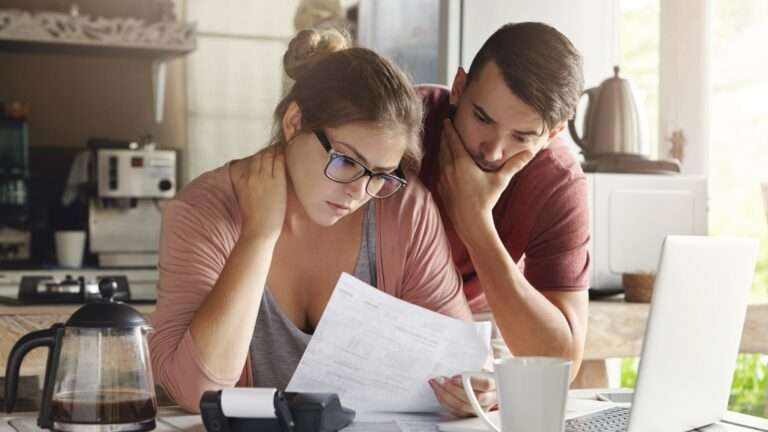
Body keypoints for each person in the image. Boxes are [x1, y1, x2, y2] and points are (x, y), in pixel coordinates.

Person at [148, 28, 495, 414]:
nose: (359, 191)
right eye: (346, 161)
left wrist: (476, 388)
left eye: (380, 174)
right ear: (294, 123)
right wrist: (258, 236)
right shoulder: (203, 211)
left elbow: (461, 360)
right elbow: (197, 390)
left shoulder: (404, 208)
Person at [418, 22, 591, 415]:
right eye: (482, 118)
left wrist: (476, 224)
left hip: (483, 313)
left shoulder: (557, 181)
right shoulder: (403, 122)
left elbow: (559, 363)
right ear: (459, 88)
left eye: (522, 136)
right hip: (378, 300)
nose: (494, 151)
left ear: (553, 133)